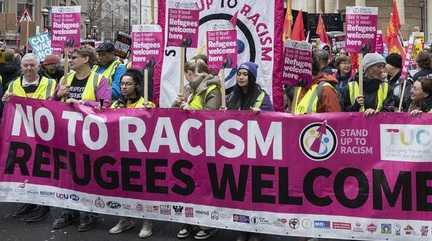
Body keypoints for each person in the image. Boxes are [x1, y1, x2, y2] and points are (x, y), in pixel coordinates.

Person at [52, 47, 111, 232]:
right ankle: (69, 212)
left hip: (89, 135)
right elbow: (52, 105)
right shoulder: (64, 79)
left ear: (86, 59)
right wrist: (58, 94)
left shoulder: (99, 80)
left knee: (89, 174)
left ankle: (90, 214)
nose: (69, 60)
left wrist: (81, 104)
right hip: (67, 133)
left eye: (74, 57)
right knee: (68, 173)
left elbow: (105, 106)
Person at [1, 53, 56, 223]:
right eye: (26, 65)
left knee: (42, 170)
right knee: (25, 169)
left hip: (43, 135)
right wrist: (5, 101)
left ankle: (43, 206)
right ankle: (29, 202)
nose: (29, 68)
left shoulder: (50, 83)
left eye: (32, 65)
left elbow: (55, 106)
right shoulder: (13, 84)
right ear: (21, 67)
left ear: (38, 66)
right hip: (21, 136)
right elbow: (6, 107)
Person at [174, 58, 222, 240]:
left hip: (205, 145)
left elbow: (211, 116)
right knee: (187, 182)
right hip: (187, 144)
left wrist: (190, 111)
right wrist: (176, 104)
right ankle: (189, 220)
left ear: (202, 73)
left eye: (190, 72)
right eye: (187, 72)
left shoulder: (213, 89)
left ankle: (207, 223)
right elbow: (171, 115)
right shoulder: (187, 90)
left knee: (205, 184)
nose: (188, 76)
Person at [226, 62, 272, 241]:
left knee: (255, 192)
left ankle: (256, 230)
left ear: (251, 77)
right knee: (240, 192)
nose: (241, 77)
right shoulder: (232, 97)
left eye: (245, 74)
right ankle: (242, 229)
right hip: (237, 154)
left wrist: (262, 114)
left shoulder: (262, 96)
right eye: (239, 74)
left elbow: (274, 120)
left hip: (256, 153)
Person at [109, 69, 154, 238]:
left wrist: (150, 112)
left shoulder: (147, 104)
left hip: (140, 155)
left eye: (128, 84)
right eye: (122, 84)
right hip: (120, 154)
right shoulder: (116, 105)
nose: (124, 87)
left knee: (143, 189)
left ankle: (147, 222)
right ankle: (125, 219)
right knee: (122, 188)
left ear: (136, 85)